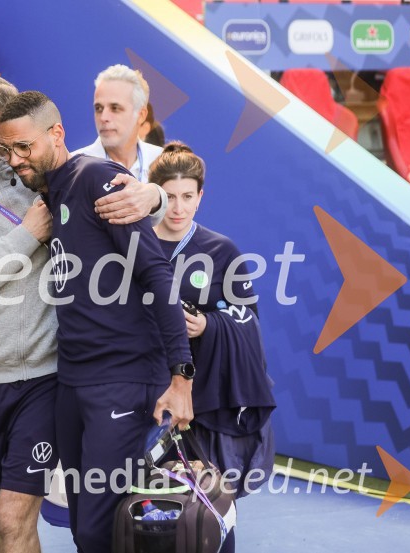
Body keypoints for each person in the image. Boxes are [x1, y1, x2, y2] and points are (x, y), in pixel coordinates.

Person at [0, 73, 166, 553]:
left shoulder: (47, 176)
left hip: (44, 378)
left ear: (8, 121)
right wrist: (26, 236)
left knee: (15, 516)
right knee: (2, 522)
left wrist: (153, 196)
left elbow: (120, 190)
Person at [0, 91, 194, 553]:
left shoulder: (96, 178)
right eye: (7, 150)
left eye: (24, 147)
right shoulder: (50, 195)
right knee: (84, 525)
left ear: (57, 133)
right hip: (73, 384)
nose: (15, 159)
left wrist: (182, 375)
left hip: (121, 381)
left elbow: (157, 273)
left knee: (100, 529)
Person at [149, 142, 276, 552]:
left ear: (201, 197)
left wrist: (208, 325)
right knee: (153, 501)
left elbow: (249, 321)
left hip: (206, 400)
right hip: (146, 395)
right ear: (154, 194)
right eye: (168, 197)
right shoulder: (133, 246)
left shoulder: (222, 251)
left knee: (212, 503)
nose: (178, 207)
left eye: (188, 197)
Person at [75, 65, 164, 184]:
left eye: (115, 108)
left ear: (141, 115)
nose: (104, 117)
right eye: (98, 108)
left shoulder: (164, 163)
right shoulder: (72, 169)